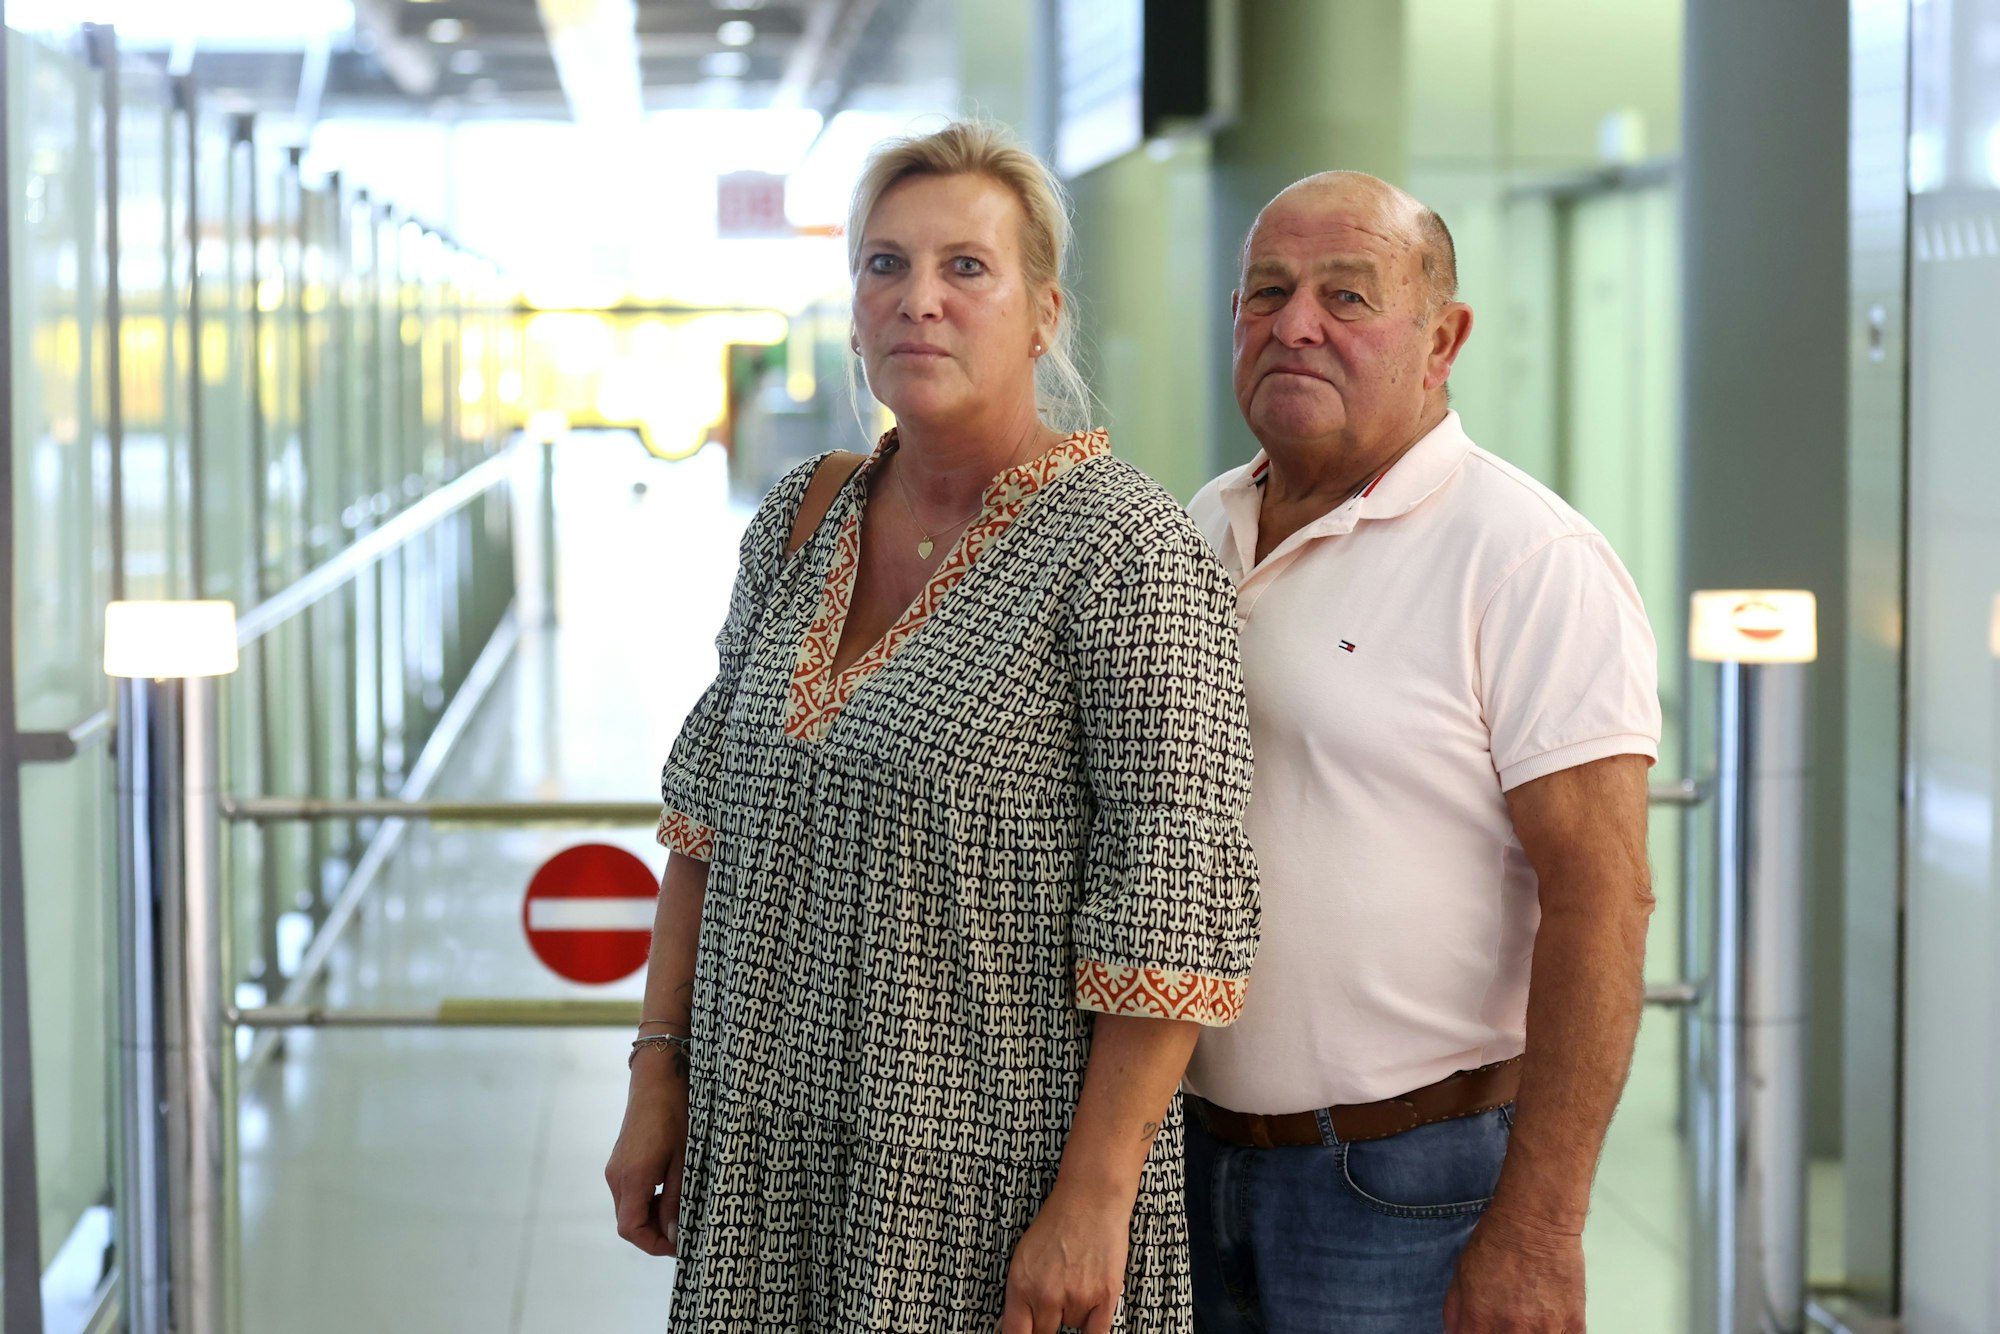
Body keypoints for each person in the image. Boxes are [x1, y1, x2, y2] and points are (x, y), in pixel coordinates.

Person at [604, 121, 1262, 1334]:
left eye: (967, 266)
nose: (918, 301)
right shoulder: (798, 524)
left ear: (1042, 312)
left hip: (985, 1191)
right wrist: (658, 1074)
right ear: (851, 307)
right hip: (765, 1156)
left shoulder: (1125, 552)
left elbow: (1175, 905)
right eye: (883, 265)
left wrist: (1092, 1198)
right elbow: (702, 830)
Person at [1181, 170, 1662, 1333]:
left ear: (1441, 338)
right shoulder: (1198, 526)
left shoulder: (1524, 556)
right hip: (1186, 1166)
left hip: (1406, 1189)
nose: (1296, 322)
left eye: (1347, 295)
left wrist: (1539, 1228)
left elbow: (1603, 901)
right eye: (1267, 291)